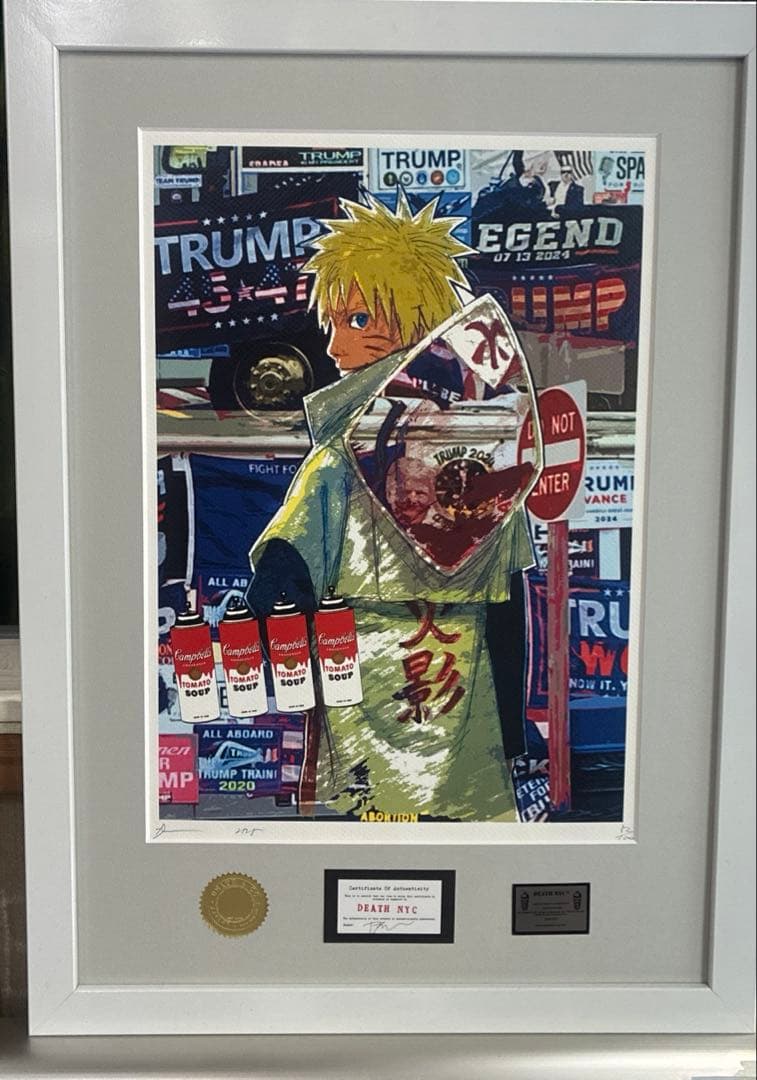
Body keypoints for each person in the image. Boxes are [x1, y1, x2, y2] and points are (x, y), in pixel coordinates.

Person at [246, 192, 538, 821]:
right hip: (455, 674)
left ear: (416, 325)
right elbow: (510, 595)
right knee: (456, 824)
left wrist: (282, 614)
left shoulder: (346, 449)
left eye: (356, 321)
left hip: (375, 669)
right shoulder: (486, 446)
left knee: (371, 823)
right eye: (333, 323)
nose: (334, 347)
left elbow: (286, 566)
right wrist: (514, 727)